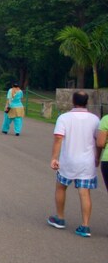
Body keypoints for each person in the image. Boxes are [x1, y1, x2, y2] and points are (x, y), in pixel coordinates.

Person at [47, 90, 101, 237]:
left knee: (61, 187)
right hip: (87, 161)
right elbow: (98, 141)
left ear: (73, 101)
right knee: (84, 193)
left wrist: (54, 158)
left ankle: (60, 217)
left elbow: (58, 138)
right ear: (87, 102)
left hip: (68, 160)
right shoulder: (95, 119)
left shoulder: (64, 118)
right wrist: (97, 157)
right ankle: (85, 225)